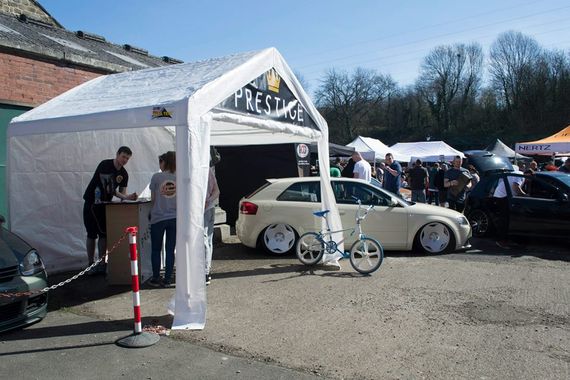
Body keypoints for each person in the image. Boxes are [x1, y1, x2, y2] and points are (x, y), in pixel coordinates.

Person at [83, 146, 137, 273]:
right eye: (123, 156)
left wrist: (129, 198)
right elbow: (110, 189)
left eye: (127, 159)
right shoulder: (105, 165)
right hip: (92, 202)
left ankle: (102, 263)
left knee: (104, 234)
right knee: (91, 234)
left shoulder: (124, 174)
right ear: (117, 154)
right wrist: (126, 196)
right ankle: (90, 264)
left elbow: (122, 194)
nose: (125, 160)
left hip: (105, 205)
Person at [149, 151, 177, 287]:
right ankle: (167, 279)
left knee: (156, 249)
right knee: (170, 249)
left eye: (160, 162)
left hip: (158, 217)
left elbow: (153, 199)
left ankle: (155, 277)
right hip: (174, 217)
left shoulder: (156, 177)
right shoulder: (179, 177)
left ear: (164, 162)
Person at [491, 170, 528, 249]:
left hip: (500, 195)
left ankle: (505, 239)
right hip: (503, 197)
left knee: (505, 219)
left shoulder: (518, 173)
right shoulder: (521, 177)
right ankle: (501, 241)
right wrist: (525, 195)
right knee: (504, 220)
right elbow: (515, 187)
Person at [204, 165, 220, 285]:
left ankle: (205, 271)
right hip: (209, 207)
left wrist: (206, 201)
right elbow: (217, 191)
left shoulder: (193, 170)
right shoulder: (208, 170)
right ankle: (207, 270)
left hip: (203, 210)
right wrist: (209, 201)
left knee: (205, 239)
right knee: (207, 240)